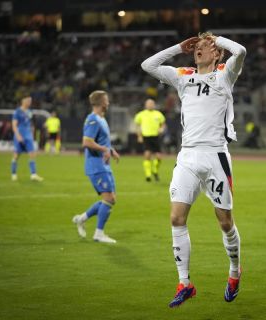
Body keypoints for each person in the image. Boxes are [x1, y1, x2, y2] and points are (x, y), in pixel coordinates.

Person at [141, 31, 246, 307]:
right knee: (176, 218)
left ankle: (234, 272)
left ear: (216, 53)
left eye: (205, 47)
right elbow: (148, 66)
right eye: (196, 47)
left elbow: (242, 51)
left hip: (215, 156)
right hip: (187, 156)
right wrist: (178, 47)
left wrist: (217, 39)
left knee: (225, 222)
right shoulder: (182, 76)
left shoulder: (225, 75)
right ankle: (185, 283)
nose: (199, 50)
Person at [72, 90, 120, 243]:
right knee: (109, 198)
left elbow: (102, 142)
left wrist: (110, 150)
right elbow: (86, 142)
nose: (108, 103)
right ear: (100, 103)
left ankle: (82, 218)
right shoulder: (93, 120)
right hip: (96, 166)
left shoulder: (102, 118)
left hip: (104, 165)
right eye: (106, 100)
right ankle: (99, 234)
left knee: (111, 199)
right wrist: (105, 149)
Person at [11, 95, 43, 182]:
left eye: (30, 101)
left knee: (32, 154)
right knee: (16, 155)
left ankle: (33, 174)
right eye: (28, 100)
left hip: (28, 136)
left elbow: (31, 124)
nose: (30, 102)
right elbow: (14, 124)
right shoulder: (17, 111)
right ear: (23, 100)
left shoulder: (30, 112)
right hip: (20, 135)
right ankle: (13, 174)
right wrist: (18, 136)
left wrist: (32, 135)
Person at [134, 99, 166, 182]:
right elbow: (137, 126)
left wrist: (161, 129)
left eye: (152, 103)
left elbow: (163, 124)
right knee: (147, 154)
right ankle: (148, 175)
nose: (150, 105)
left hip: (156, 137)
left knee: (159, 157)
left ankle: (154, 170)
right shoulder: (141, 114)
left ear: (154, 105)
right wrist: (139, 136)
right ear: (145, 105)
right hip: (146, 137)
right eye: (148, 103)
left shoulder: (158, 114)